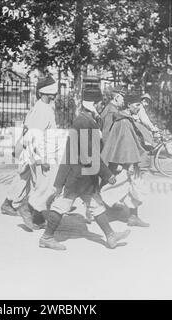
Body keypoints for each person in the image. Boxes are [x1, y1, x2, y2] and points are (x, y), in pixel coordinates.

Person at [38, 89, 131, 250]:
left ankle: (110, 236)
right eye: (101, 103)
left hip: (82, 176)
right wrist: (107, 174)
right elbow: (89, 155)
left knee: (96, 205)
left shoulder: (85, 120)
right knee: (62, 205)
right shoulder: (84, 122)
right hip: (79, 177)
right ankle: (46, 237)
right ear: (94, 104)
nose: (102, 106)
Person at [0, 76, 59, 230]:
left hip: (33, 151)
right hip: (38, 152)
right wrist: (42, 158)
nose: (56, 94)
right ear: (46, 93)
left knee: (32, 181)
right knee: (43, 185)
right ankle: (26, 209)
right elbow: (34, 135)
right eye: (53, 91)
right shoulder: (42, 110)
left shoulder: (42, 107)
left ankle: (35, 216)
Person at [100, 87, 150, 228]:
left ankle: (133, 217)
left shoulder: (125, 118)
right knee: (115, 188)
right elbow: (125, 144)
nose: (139, 108)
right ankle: (96, 211)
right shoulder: (123, 121)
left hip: (130, 161)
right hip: (129, 162)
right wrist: (127, 164)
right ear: (128, 105)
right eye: (136, 105)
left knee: (133, 189)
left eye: (139, 105)